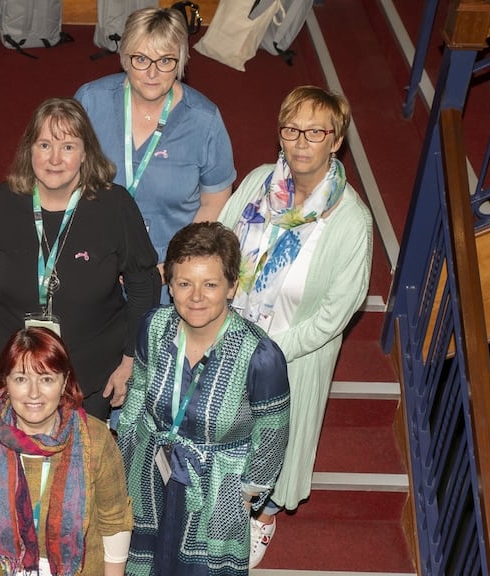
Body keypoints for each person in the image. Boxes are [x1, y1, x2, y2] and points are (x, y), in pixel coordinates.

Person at [218, 85, 373, 567]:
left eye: (315, 131)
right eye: (291, 129)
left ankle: (260, 520)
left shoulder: (351, 221)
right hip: (226, 338)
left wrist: (266, 352)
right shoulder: (259, 182)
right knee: (222, 440)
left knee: (268, 450)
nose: (301, 141)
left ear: (336, 140)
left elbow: (332, 317)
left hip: (291, 360)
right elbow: (221, 242)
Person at [0, 97, 160, 420]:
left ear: (85, 154)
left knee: (77, 469)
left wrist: (129, 362)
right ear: (29, 150)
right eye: (45, 145)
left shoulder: (115, 206)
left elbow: (143, 286)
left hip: (91, 375)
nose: (54, 158)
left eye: (67, 147)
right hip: (14, 373)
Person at [117, 221, 290, 576]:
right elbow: (137, 390)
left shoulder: (260, 355)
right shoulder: (153, 326)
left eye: (210, 284)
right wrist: (126, 457)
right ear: (170, 285)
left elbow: (272, 436)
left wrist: (245, 496)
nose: (196, 297)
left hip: (217, 490)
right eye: (184, 283)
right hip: (150, 473)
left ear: (232, 287)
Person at [0, 327, 133, 575]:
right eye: (21, 379)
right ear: (5, 381)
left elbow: (114, 522)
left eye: (46, 379)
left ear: (64, 382)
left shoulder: (96, 439)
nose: (34, 393)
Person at [75, 7, 236, 300]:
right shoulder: (90, 102)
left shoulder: (205, 120)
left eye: (165, 61)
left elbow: (214, 202)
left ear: (181, 62)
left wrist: (174, 264)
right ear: (124, 57)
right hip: (93, 257)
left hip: (166, 268)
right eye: (141, 59)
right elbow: (63, 177)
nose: (152, 73)